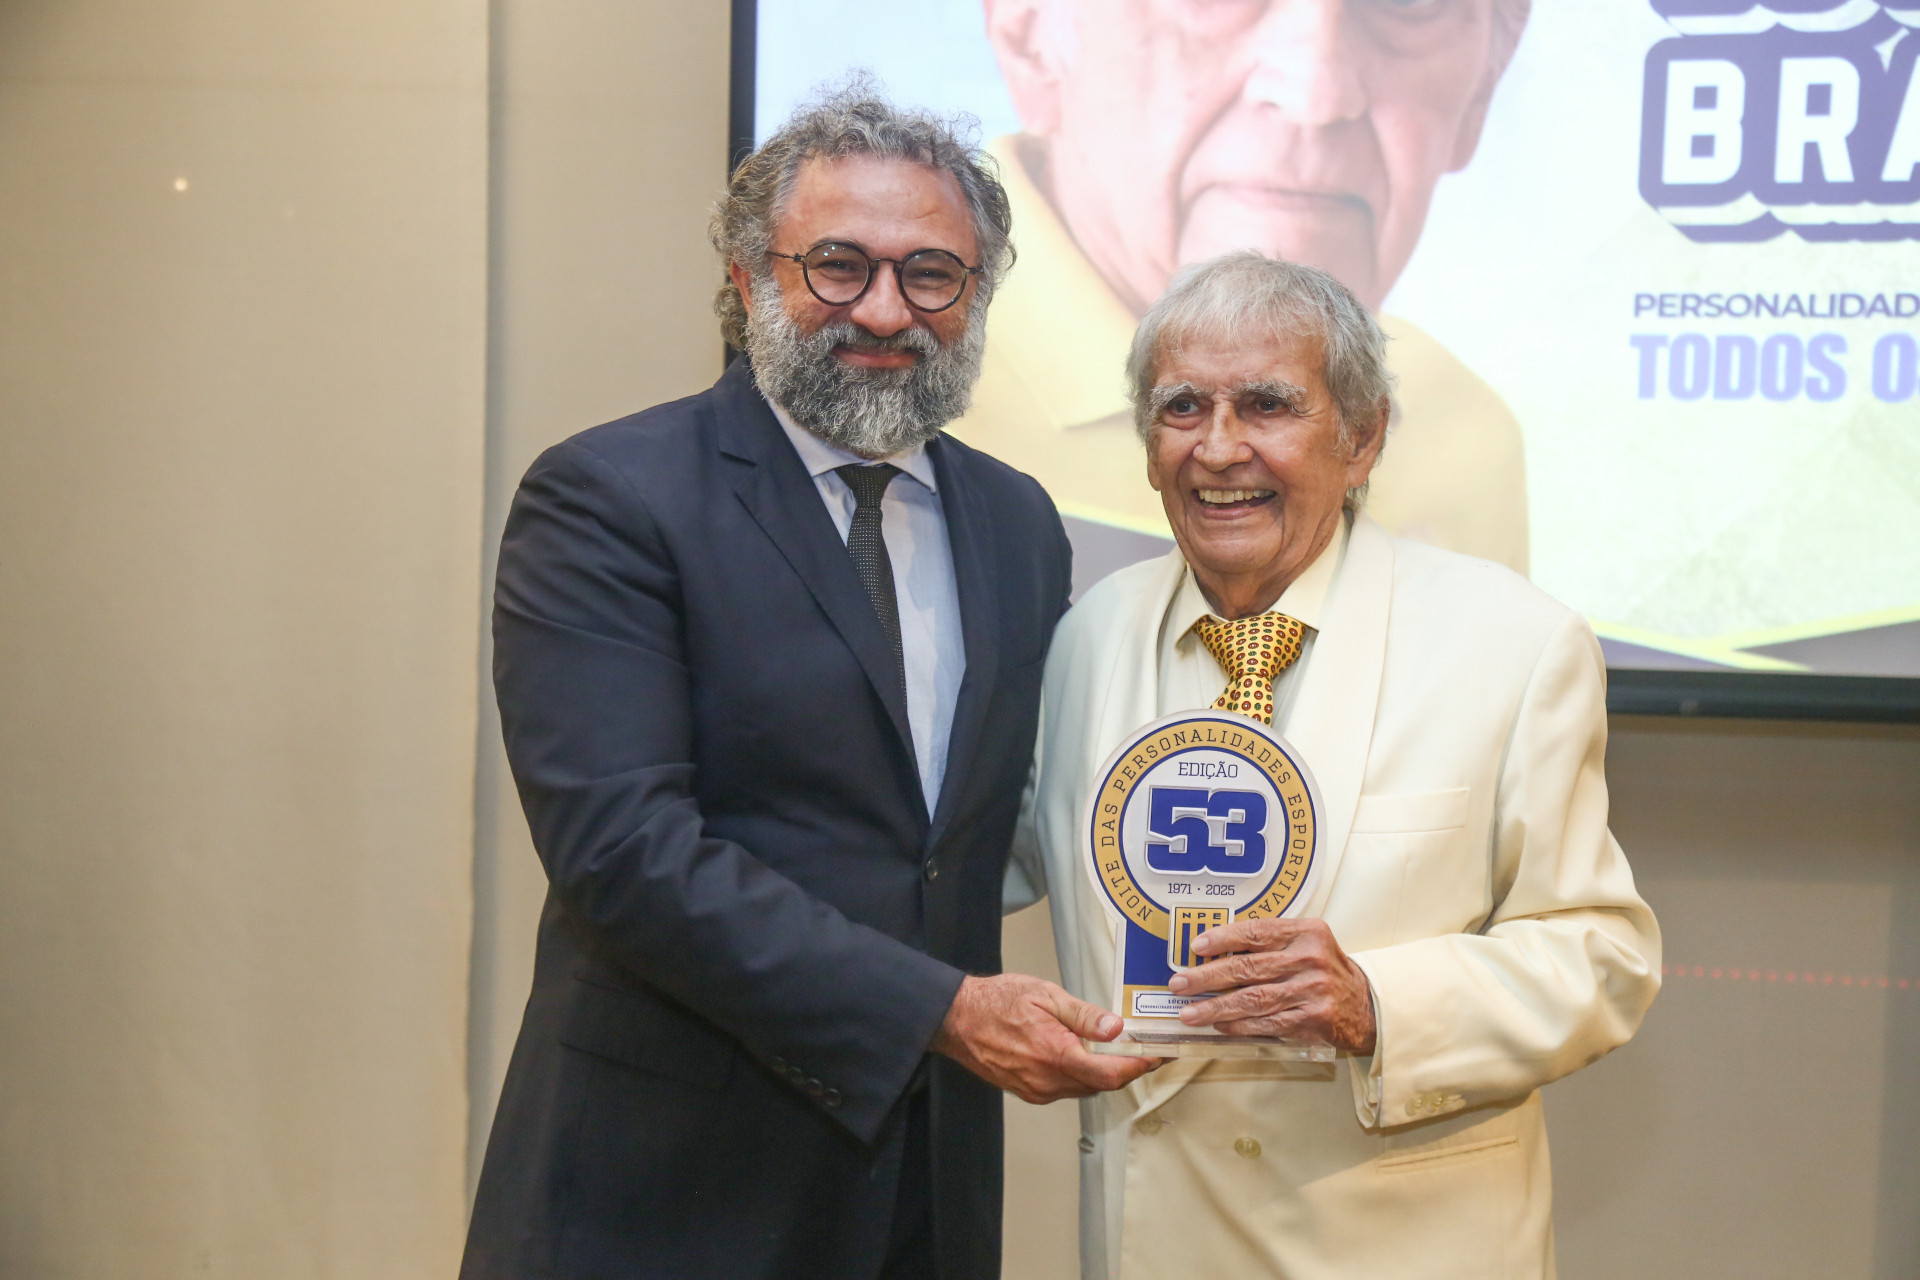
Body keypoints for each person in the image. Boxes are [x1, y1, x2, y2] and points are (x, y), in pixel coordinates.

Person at [461, 90, 1154, 1280]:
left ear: (978, 299)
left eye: (932, 274)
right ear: (746, 277)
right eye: (838, 265)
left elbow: (977, 831)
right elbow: (625, 854)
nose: (885, 309)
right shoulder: (610, 498)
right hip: (665, 1185)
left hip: (925, 1188)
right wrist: (941, 1009)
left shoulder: (1019, 522)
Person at [1008, 251, 1660, 1278]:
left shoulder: (1511, 640)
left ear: (1362, 437)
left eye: (1268, 405)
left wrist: (1376, 1000)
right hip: (1149, 1242)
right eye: (1183, 407)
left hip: (1394, 1246)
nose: (1219, 449)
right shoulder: (1088, 634)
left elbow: (1600, 955)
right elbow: (980, 855)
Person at [963, 0, 1534, 573]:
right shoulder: (905, 398)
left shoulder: (1464, 431)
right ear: (1031, 36)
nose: (1317, 95)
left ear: (1485, 79)